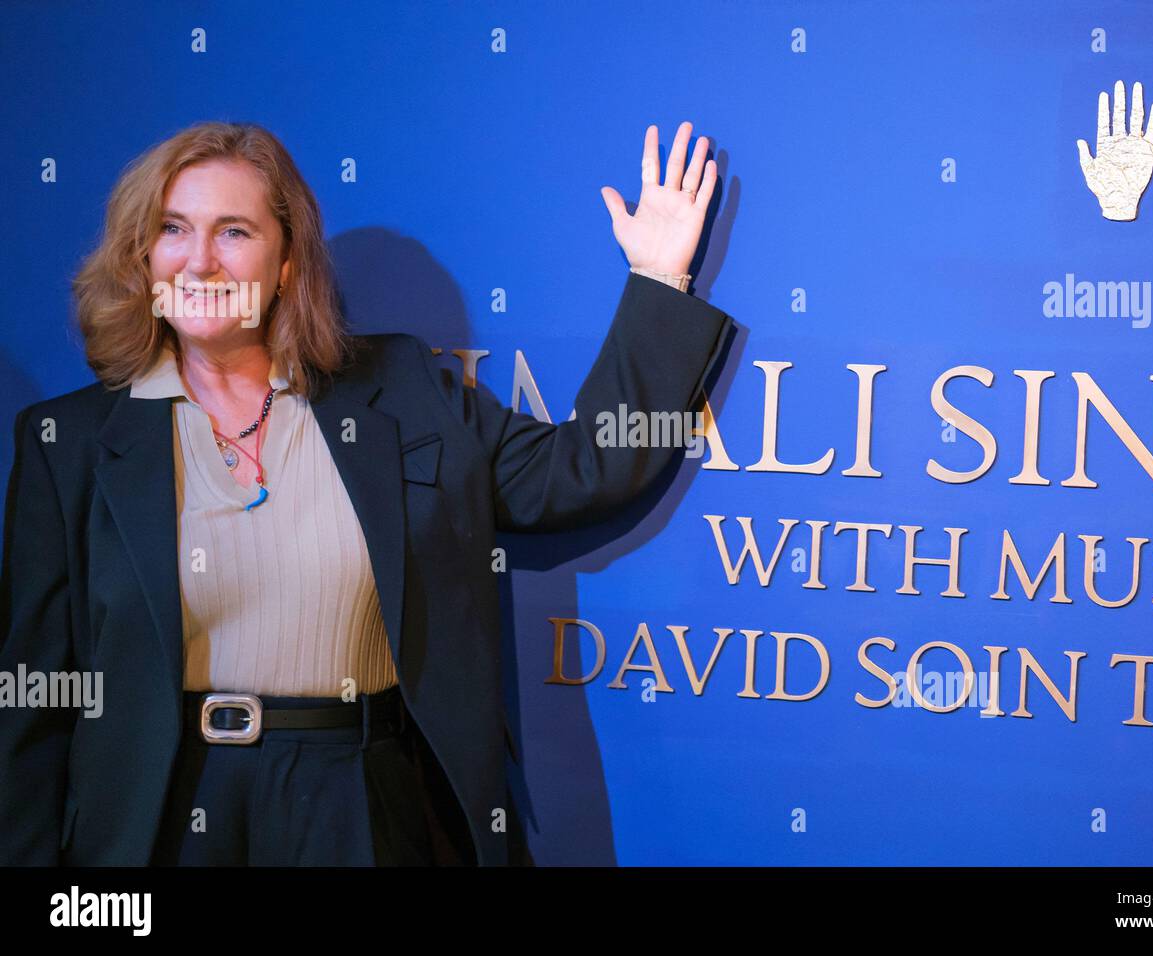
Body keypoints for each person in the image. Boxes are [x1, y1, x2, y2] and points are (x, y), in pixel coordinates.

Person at [0, 120, 732, 865]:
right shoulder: (69, 446)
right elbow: (31, 710)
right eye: (173, 229)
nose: (199, 262)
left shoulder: (400, 392)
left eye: (234, 233)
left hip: (360, 806)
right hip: (159, 817)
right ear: (142, 254)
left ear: (286, 264)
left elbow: (579, 471)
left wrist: (658, 283)